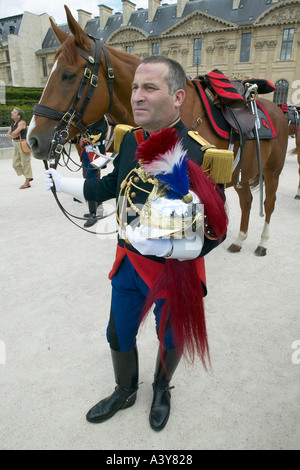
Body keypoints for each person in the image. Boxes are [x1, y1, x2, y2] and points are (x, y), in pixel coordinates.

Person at [44, 55, 229, 431]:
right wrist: (64, 184)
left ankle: (162, 389)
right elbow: (109, 187)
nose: (137, 97)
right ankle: (125, 390)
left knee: (172, 335)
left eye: (150, 88)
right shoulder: (130, 140)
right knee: (118, 332)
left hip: (174, 273)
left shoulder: (201, 153)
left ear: (178, 97)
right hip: (128, 262)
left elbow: (218, 228)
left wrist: (182, 247)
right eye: (135, 88)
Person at [6, 107, 33, 189]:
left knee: (25, 163)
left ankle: (27, 182)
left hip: (23, 143)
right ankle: (28, 176)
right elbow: (8, 135)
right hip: (16, 144)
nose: (12, 113)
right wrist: (12, 135)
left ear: (18, 116)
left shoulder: (22, 122)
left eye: (14, 112)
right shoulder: (13, 124)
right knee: (15, 164)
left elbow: (14, 133)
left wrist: (13, 134)